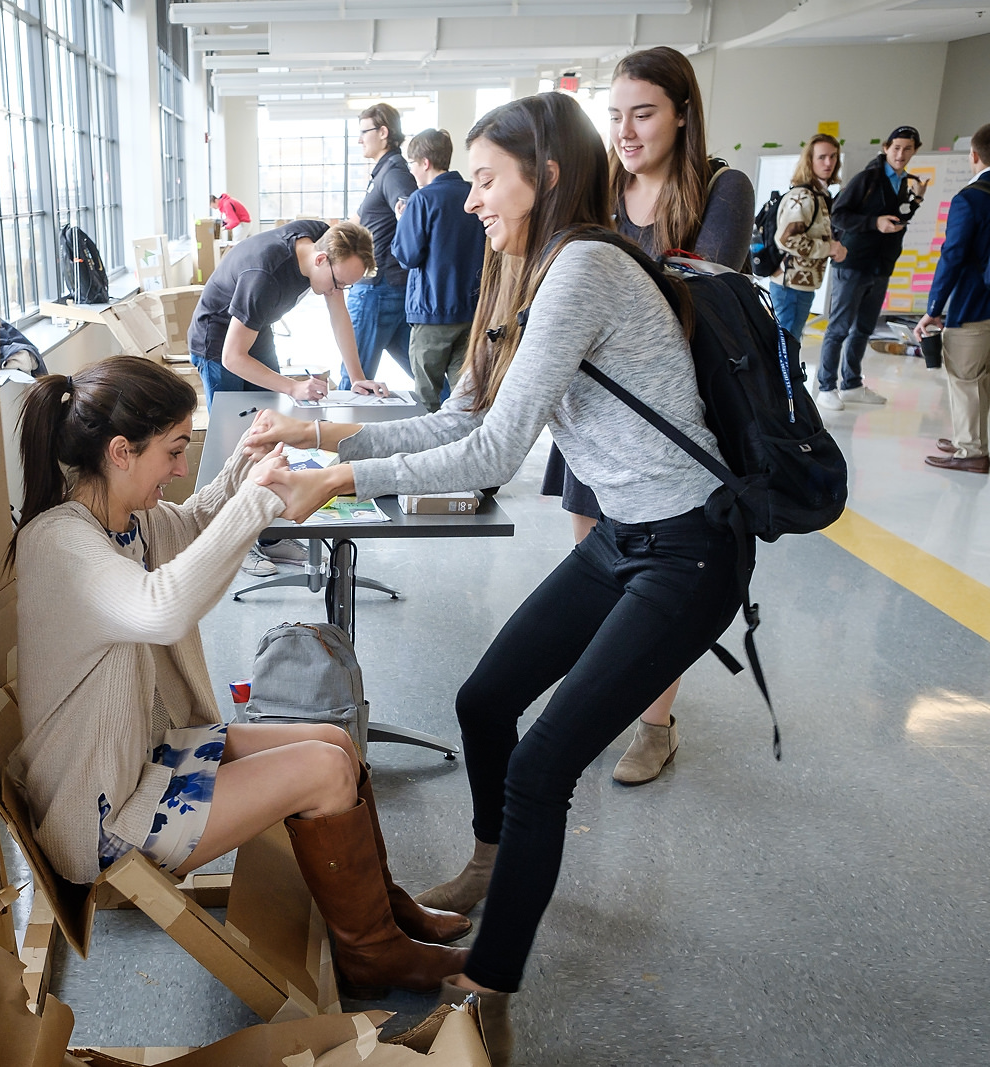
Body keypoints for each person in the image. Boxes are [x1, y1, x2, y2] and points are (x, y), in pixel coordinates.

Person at [244, 93, 751, 1062]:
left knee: (543, 762)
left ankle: (486, 988)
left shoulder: (584, 268)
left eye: (485, 179)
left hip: (688, 547)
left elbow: (489, 455)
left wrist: (340, 476)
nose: (467, 198)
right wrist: (318, 434)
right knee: (484, 699)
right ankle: (490, 861)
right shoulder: (517, 269)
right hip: (622, 538)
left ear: (546, 174)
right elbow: (455, 417)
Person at [5, 356, 471, 997]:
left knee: (337, 744)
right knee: (326, 771)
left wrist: (242, 467)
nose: (177, 468)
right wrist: (256, 500)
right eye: (172, 453)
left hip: (150, 760)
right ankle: (372, 954)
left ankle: (383, 918)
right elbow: (162, 608)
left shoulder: (125, 522)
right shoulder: (61, 543)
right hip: (105, 819)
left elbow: (192, 525)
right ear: (120, 451)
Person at [542, 44, 755, 786]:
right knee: (601, 567)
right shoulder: (602, 192)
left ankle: (655, 725)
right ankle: (605, 700)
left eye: (644, 114)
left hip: (675, 424)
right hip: (596, 417)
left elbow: (696, 299)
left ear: (682, 114)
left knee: (656, 583)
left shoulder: (721, 190)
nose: (626, 132)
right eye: (615, 117)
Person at [186, 218, 386, 576]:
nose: (338, 290)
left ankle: (268, 536)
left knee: (271, 438)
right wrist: (292, 386)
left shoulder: (324, 239)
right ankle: (235, 543)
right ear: (322, 260)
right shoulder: (264, 275)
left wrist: (356, 377)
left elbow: (338, 311)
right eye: (340, 282)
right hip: (218, 345)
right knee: (235, 447)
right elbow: (233, 357)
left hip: (256, 334)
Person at [818, 125, 928, 411]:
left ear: (914, 151)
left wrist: (916, 199)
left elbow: (898, 217)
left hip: (881, 266)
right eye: (896, 148)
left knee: (864, 328)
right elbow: (838, 215)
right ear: (886, 148)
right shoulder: (868, 178)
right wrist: (873, 223)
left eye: (907, 149)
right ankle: (826, 386)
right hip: (854, 263)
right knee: (839, 327)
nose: (901, 154)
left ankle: (851, 383)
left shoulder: (905, 183)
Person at [392, 128, 487, 413]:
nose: (411, 172)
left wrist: (403, 220)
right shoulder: (474, 193)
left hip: (431, 312)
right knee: (464, 397)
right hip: (473, 311)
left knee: (426, 400)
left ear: (424, 162)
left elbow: (407, 255)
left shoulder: (422, 200)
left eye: (411, 164)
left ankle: (428, 454)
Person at [914, 123, 990, 474]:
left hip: (975, 303)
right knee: (983, 378)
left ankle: (971, 451)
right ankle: (970, 437)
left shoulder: (971, 198)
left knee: (966, 377)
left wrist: (933, 309)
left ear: (974, 156)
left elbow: (953, 255)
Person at [340, 102, 419, 389]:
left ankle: (341, 435)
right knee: (424, 378)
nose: (360, 139)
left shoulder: (394, 174)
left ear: (383, 132)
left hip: (377, 289)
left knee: (354, 380)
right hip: (387, 288)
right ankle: (458, 420)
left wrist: (402, 257)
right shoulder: (382, 174)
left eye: (364, 132)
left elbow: (411, 212)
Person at [769, 134, 847, 343]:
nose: (829, 162)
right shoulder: (803, 197)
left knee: (790, 344)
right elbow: (786, 239)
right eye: (822, 157)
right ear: (810, 161)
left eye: (833, 157)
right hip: (790, 286)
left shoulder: (821, 195)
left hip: (802, 284)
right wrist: (828, 248)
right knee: (784, 347)